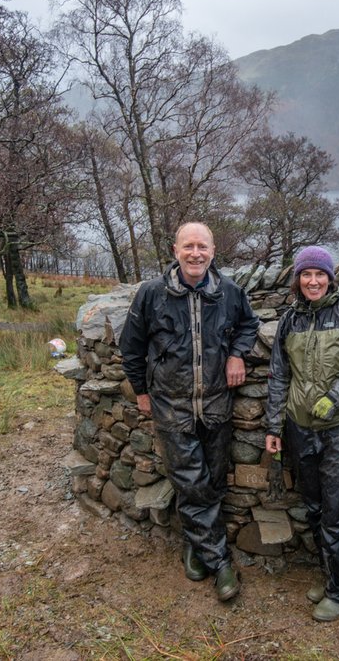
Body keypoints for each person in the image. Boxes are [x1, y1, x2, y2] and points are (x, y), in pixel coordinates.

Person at [119, 222, 260, 602]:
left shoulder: (229, 292)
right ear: (174, 250)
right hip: (171, 405)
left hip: (216, 404)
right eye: (188, 247)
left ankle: (193, 544)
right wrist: (142, 391)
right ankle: (220, 564)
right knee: (193, 482)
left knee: (211, 481)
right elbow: (130, 347)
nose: (195, 253)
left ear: (214, 251)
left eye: (202, 247)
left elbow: (249, 324)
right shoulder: (152, 294)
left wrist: (235, 354)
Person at [264, 246, 339, 622]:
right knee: (314, 507)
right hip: (301, 426)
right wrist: (273, 426)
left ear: (330, 279)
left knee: (338, 511)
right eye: (306, 274)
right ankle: (332, 575)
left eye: (320, 275)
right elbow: (279, 375)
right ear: (297, 279)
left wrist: (336, 396)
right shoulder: (290, 320)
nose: (313, 281)